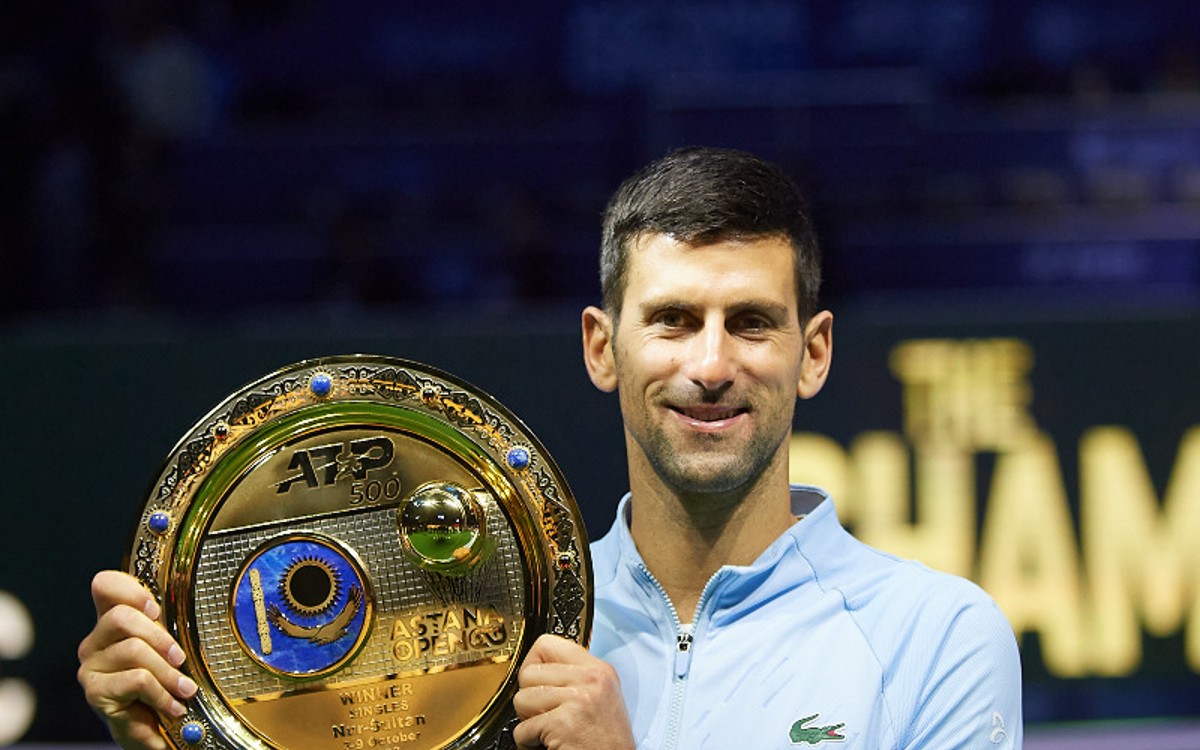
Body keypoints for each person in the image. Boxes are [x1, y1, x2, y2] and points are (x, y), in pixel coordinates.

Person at [78, 147, 1023, 749]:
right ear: (601, 349)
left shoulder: (933, 637)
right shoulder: (486, 627)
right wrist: (172, 738)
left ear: (812, 354)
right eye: (672, 320)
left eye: (751, 323)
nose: (710, 362)